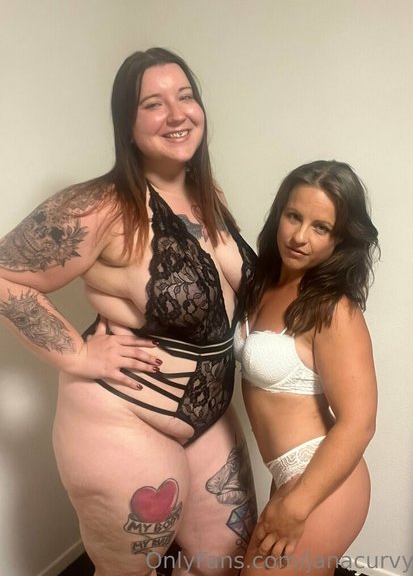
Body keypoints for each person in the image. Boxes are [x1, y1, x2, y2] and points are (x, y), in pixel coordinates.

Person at [0, 47, 257, 576]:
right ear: (127, 123)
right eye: (153, 104)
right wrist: (78, 355)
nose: (177, 114)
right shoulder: (100, 205)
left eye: (185, 96)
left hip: (208, 415)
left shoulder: (206, 195)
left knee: (226, 563)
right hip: (122, 420)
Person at [234, 160, 379, 575]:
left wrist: (296, 506)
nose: (299, 237)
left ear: (340, 239)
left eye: (321, 227)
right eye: (294, 216)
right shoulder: (262, 283)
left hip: (321, 480)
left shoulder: (333, 309)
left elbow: (359, 423)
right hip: (288, 476)